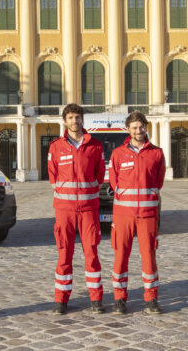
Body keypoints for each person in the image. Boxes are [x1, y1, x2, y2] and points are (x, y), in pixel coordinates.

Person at [48, 103, 105, 315]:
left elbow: (99, 176)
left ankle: (96, 299)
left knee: (91, 254)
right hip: (64, 210)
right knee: (64, 254)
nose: (74, 121)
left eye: (77, 117)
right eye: (70, 117)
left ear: (83, 120)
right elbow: (53, 177)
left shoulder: (95, 146)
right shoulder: (55, 147)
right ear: (65, 121)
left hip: (89, 209)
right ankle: (60, 300)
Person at [109, 111, 166, 315]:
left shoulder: (157, 153)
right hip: (123, 215)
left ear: (146, 127)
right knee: (120, 256)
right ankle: (119, 298)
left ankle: (151, 299)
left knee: (149, 256)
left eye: (141, 127)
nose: (138, 130)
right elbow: (114, 183)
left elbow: (158, 182)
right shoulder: (117, 154)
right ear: (128, 129)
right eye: (134, 127)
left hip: (147, 215)